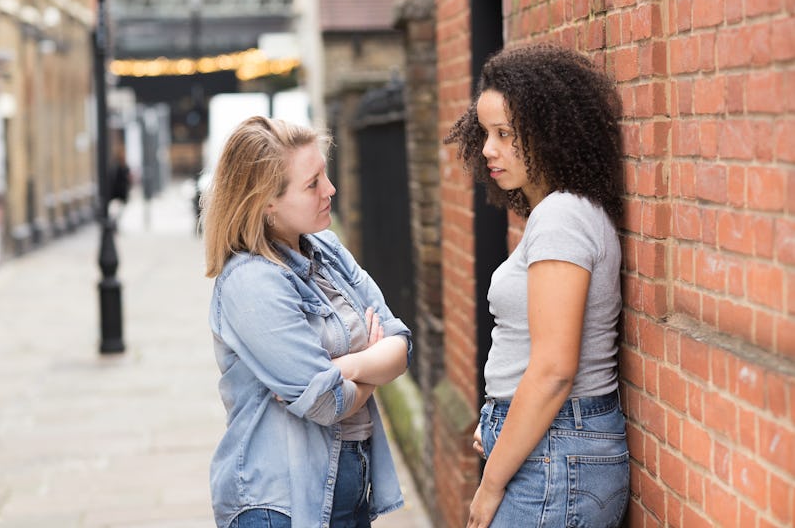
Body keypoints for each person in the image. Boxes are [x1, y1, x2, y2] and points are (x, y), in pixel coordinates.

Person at [445, 43, 630, 527]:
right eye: (485, 133)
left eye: (505, 134)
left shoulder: (561, 218)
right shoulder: (564, 212)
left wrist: (489, 487)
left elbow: (552, 371)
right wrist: (502, 426)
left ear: (551, 134)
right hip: (554, 447)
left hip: (557, 454)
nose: (488, 148)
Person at [200, 115, 412, 528]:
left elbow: (401, 346)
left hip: (349, 489)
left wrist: (344, 368)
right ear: (266, 202)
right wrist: (371, 362)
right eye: (312, 183)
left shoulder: (327, 250)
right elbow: (325, 402)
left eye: (325, 175)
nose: (330, 190)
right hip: (280, 502)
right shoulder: (250, 282)